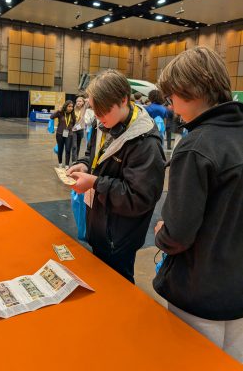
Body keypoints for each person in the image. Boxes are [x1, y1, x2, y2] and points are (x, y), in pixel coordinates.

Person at [153, 46, 243, 363]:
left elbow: (178, 233)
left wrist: (162, 233)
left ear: (188, 92)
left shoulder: (196, 147)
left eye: (172, 98)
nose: (173, 109)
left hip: (198, 292)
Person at [68, 69, 165, 283]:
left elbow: (139, 198)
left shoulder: (146, 143)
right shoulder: (102, 123)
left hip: (120, 238)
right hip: (99, 225)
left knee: (118, 287)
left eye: (104, 111)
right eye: (96, 110)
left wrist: (95, 182)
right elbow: (92, 156)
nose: (100, 118)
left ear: (124, 100)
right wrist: (83, 166)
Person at [50, 100, 76, 169]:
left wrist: (69, 129)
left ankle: (67, 165)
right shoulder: (60, 113)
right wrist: (58, 110)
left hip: (69, 134)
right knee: (60, 149)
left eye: (72, 106)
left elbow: (73, 123)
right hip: (60, 134)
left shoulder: (72, 114)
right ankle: (60, 164)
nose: (71, 108)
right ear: (66, 106)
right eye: (69, 106)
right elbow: (51, 117)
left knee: (68, 150)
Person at [71, 96, 87, 162]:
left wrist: (85, 100)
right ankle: (74, 161)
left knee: (78, 146)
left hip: (80, 130)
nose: (78, 102)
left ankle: (76, 160)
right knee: (74, 146)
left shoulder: (85, 108)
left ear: (83, 103)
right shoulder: (73, 109)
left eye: (80, 101)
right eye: (77, 101)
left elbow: (89, 101)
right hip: (73, 130)